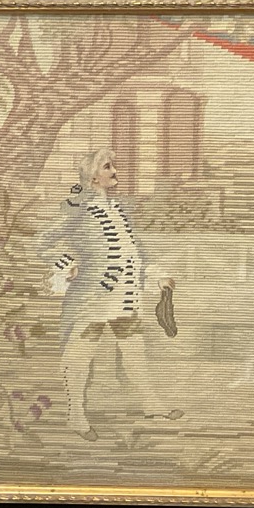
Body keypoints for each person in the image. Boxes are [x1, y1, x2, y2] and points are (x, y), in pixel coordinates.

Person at [44, 148, 181, 441]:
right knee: (80, 354)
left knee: (134, 350)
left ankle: (151, 404)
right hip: (92, 295)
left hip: (125, 292)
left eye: (113, 165)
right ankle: (75, 415)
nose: (115, 171)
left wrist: (155, 276)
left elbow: (135, 252)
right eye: (108, 166)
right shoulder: (76, 208)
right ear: (93, 177)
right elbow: (43, 241)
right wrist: (67, 264)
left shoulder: (118, 209)